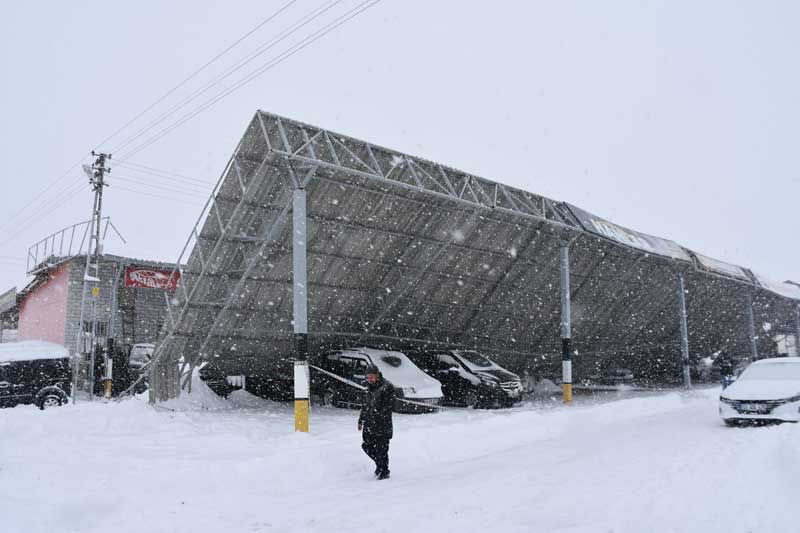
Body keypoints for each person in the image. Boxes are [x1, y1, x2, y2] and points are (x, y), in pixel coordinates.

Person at [358, 364, 395, 480]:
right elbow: (365, 406)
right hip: (369, 424)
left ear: (377, 375)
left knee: (381, 449)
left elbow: (390, 406)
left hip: (382, 426)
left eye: (372, 377)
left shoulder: (387, 387)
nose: (369, 379)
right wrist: (361, 420)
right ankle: (380, 465)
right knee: (366, 446)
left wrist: (378, 414)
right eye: (368, 377)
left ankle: (384, 471)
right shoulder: (368, 388)